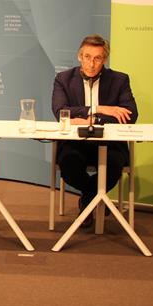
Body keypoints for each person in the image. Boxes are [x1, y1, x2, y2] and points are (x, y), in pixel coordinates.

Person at [51, 34, 138, 228]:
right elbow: (60, 112)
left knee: (114, 165)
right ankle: (96, 198)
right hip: (76, 143)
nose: (92, 63)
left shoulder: (119, 80)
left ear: (104, 59)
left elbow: (131, 115)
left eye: (97, 58)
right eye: (88, 57)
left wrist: (92, 119)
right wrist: (101, 109)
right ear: (79, 57)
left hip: (109, 143)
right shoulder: (63, 79)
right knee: (69, 165)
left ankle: (88, 200)